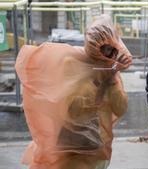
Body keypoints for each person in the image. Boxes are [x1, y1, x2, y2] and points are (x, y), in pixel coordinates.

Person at [16, 14, 131, 169]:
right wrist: (103, 81)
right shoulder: (73, 62)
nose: (110, 55)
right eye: (106, 49)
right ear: (94, 46)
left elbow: (120, 108)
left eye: (113, 49)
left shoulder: (110, 69)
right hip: (71, 146)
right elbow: (74, 108)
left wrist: (111, 80)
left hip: (96, 145)